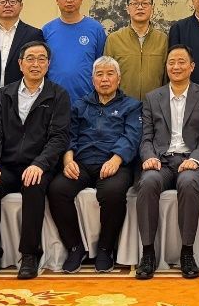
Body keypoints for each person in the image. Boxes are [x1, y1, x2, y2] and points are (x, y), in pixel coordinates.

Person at [0, 41, 71, 280]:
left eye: (41, 59)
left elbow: (59, 138)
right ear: (20, 64)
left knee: (33, 185)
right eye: (30, 58)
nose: (35, 64)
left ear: (48, 65)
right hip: (6, 165)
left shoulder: (58, 95)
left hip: (40, 165)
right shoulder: (3, 94)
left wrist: (40, 164)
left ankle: (29, 255)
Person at [51, 56, 141, 273]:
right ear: (93, 80)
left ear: (119, 78)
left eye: (110, 74)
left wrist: (116, 159)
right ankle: (75, 247)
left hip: (114, 162)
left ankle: (105, 248)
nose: (105, 79)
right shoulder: (79, 105)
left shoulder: (132, 106)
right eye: (99, 74)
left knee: (112, 192)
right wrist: (68, 160)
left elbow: (132, 136)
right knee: (57, 190)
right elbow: (68, 135)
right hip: (81, 162)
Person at [134, 45, 199, 279]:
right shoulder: (153, 98)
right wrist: (149, 157)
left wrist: (196, 159)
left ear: (192, 67)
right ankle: (148, 253)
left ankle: (187, 252)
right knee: (147, 182)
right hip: (162, 161)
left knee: (188, 183)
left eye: (181, 62)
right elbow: (146, 137)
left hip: (191, 161)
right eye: (171, 62)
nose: (176, 67)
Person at [43, 0, 107, 101]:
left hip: (88, 102)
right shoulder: (47, 30)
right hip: (53, 101)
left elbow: (101, 65)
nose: (69, 0)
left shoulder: (96, 29)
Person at [103, 0, 168, 101]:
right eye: (135, 3)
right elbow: (107, 75)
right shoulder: (114, 39)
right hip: (122, 106)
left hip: (155, 105)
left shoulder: (163, 39)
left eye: (145, 3)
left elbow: (167, 77)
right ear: (128, 8)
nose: (140, 7)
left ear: (152, 8)